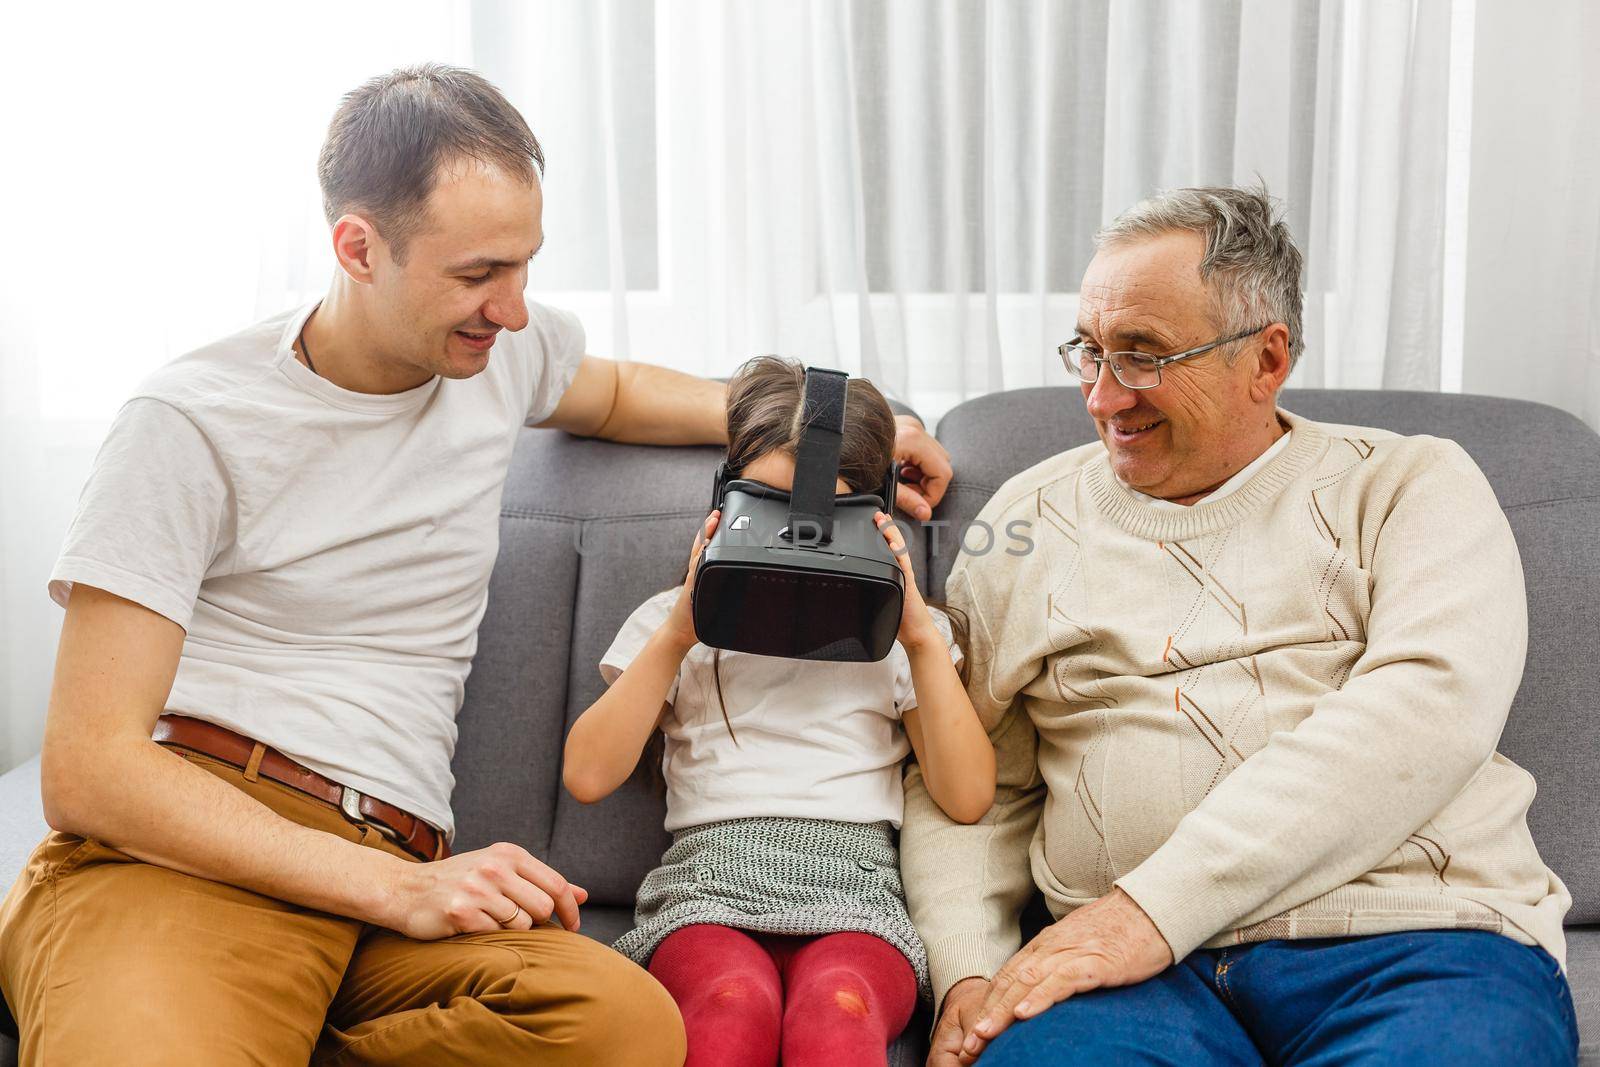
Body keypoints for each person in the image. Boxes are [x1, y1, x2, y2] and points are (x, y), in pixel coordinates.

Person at [0, 65, 952, 1066]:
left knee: (626, 1026)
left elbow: (622, 392)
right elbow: (89, 768)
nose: (512, 308)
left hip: (394, 883)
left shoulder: (499, 354)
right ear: (357, 247)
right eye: (477, 274)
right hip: (199, 853)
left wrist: (846, 432)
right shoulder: (191, 419)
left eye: (526, 267)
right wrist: (395, 887)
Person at [904, 185, 1578, 1066]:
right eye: (1090, 352)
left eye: (1142, 357)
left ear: (1266, 359)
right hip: (1115, 982)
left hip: (1411, 941)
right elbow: (967, 780)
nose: (1105, 397)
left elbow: (1428, 710)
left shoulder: (1414, 485)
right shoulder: (1024, 522)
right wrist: (966, 969)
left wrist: (1149, 910)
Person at [562, 356, 995, 1066]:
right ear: (725, 497)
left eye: (826, 518)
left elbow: (969, 795)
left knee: (838, 1008)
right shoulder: (673, 629)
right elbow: (587, 774)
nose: (796, 541)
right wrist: (678, 633)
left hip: (856, 897)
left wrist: (916, 635)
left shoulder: (903, 643)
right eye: (766, 507)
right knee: (729, 1003)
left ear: (876, 512)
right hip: (709, 891)